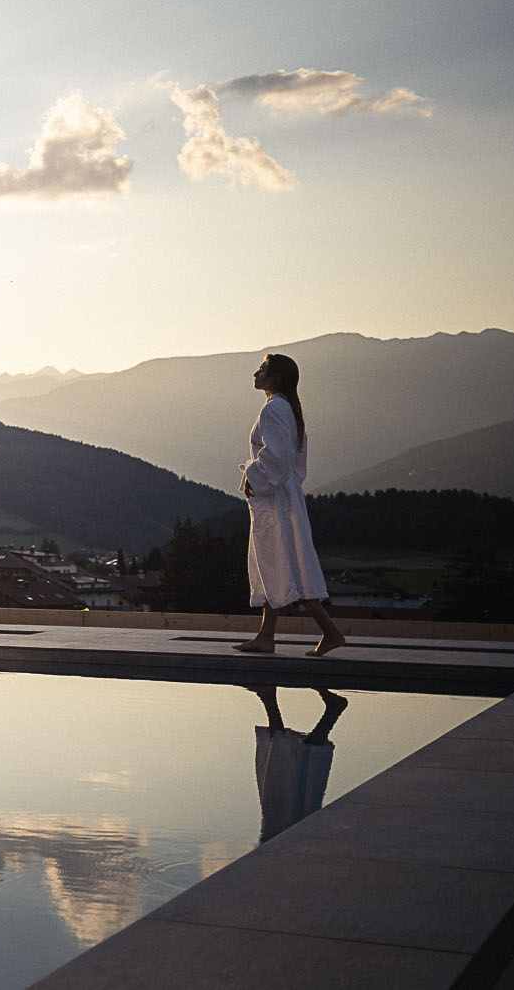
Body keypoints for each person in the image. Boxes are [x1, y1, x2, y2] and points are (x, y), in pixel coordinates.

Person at [232, 353, 347, 657]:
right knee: (279, 561)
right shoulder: (286, 409)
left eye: (264, 369)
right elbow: (295, 463)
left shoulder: (275, 409)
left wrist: (254, 479)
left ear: (277, 377)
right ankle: (267, 636)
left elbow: (279, 457)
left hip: (276, 499)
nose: (256, 373)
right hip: (283, 494)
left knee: (286, 561)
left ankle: (329, 632)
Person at [246, 685, 349, 841]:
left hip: (283, 836)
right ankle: (270, 699)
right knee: (289, 784)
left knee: (280, 779)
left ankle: (270, 699)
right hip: (288, 837)